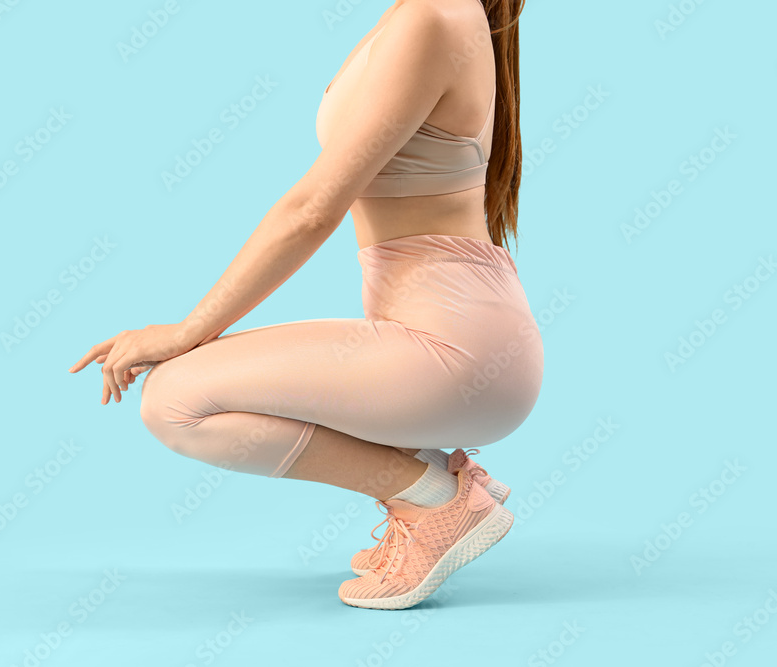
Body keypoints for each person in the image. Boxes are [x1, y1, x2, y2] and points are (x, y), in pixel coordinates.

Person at [69, 0, 538, 610]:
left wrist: (188, 330)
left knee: (174, 402)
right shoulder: (423, 13)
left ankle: (433, 501)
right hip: (456, 339)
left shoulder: (433, 18)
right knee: (185, 392)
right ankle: (436, 482)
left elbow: (314, 209)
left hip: (460, 352)